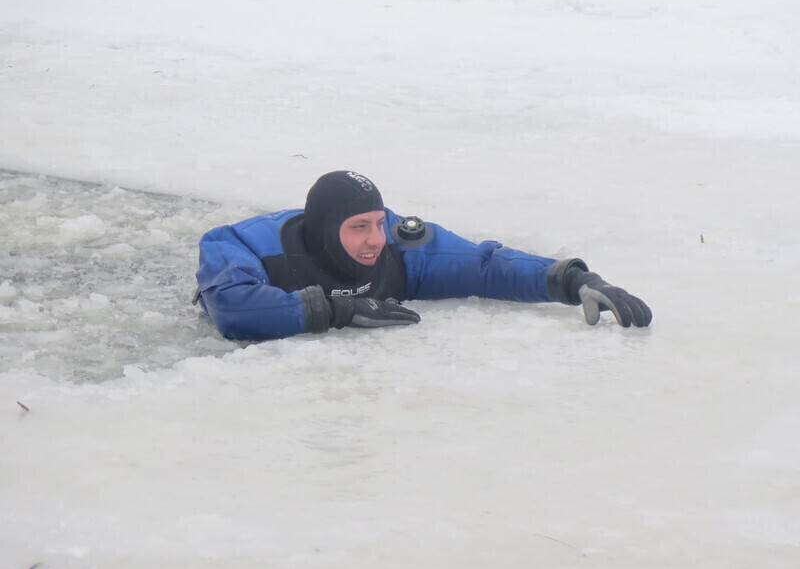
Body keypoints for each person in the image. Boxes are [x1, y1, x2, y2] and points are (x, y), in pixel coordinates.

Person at [195, 170, 652, 341]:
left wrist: (574, 281)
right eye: (358, 227)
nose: (376, 239)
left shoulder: (397, 245)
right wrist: (338, 309)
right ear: (323, 232)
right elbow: (233, 309)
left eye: (378, 221)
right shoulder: (243, 245)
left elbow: (483, 266)